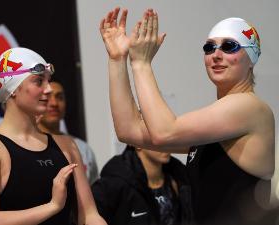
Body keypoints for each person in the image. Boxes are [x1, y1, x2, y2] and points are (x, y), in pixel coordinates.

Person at [100, 7, 274, 225]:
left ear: (251, 59)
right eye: (209, 48)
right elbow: (128, 130)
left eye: (230, 46)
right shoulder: (220, 124)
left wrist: (141, 64)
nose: (216, 55)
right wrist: (117, 59)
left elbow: (164, 132)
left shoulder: (250, 107)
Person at [0, 47, 107, 225]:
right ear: (13, 89)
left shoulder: (66, 145)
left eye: (48, 80)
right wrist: (52, 206)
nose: (48, 89)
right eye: (39, 81)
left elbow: (89, 215)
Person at [92, 145, 193, 225]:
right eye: (155, 134)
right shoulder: (114, 185)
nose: (165, 142)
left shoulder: (181, 177)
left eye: (167, 133)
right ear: (136, 142)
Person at [37, 80, 99, 184]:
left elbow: (94, 191)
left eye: (59, 97)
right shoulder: (28, 145)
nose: (54, 103)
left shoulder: (83, 148)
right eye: (47, 97)